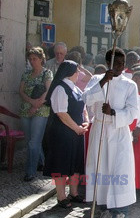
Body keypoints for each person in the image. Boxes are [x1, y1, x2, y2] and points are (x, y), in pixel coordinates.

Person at [83, 48, 138, 218]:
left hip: (119, 133)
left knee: (120, 171)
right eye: (116, 63)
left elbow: (132, 112)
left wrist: (114, 112)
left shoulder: (130, 85)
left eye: (122, 64)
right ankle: (104, 209)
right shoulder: (96, 80)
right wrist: (103, 81)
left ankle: (121, 213)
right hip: (100, 131)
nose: (120, 67)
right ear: (108, 63)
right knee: (101, 170)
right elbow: (87, 99)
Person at [43, 60, 89, 208]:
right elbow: (61, 113)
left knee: (75, 164)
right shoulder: (60, 89)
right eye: (77, 71)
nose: (80, 73)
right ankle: (61, 197)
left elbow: (83, 108)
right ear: (70, 73)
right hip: (62, 132)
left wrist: (86, 121)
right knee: (61, 165)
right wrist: (76, 128)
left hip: (76, 131)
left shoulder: (75, 88)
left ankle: (74, 194)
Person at [19, 47, 53, 181]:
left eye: (34, 59)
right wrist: (31, 102)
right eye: (30, 59)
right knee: (30, 141)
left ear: (41, 59)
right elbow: (21, 91)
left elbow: (48, 91)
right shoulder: (26, 74)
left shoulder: (47, 73)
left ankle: (30, 171)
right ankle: (42, 162)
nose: (32, 61)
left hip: (41, 111)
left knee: (34, 142)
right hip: (25, 110)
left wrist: (36, 105)